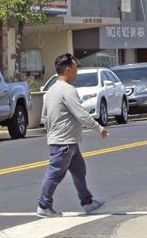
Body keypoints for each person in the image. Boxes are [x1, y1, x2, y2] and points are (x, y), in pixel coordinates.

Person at [36, 53, 107, 218]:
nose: (77, 71)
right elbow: (81, 114)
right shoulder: (68, 90)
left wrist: (51, 133)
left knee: (79, 170)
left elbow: (44, 118)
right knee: (55, 172)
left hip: (66, 141)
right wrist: (99, 128)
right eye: (75, 67)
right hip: (64, 142)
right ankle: (43, 205)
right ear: (68, 69)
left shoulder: (51, 90)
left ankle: (88, 202)